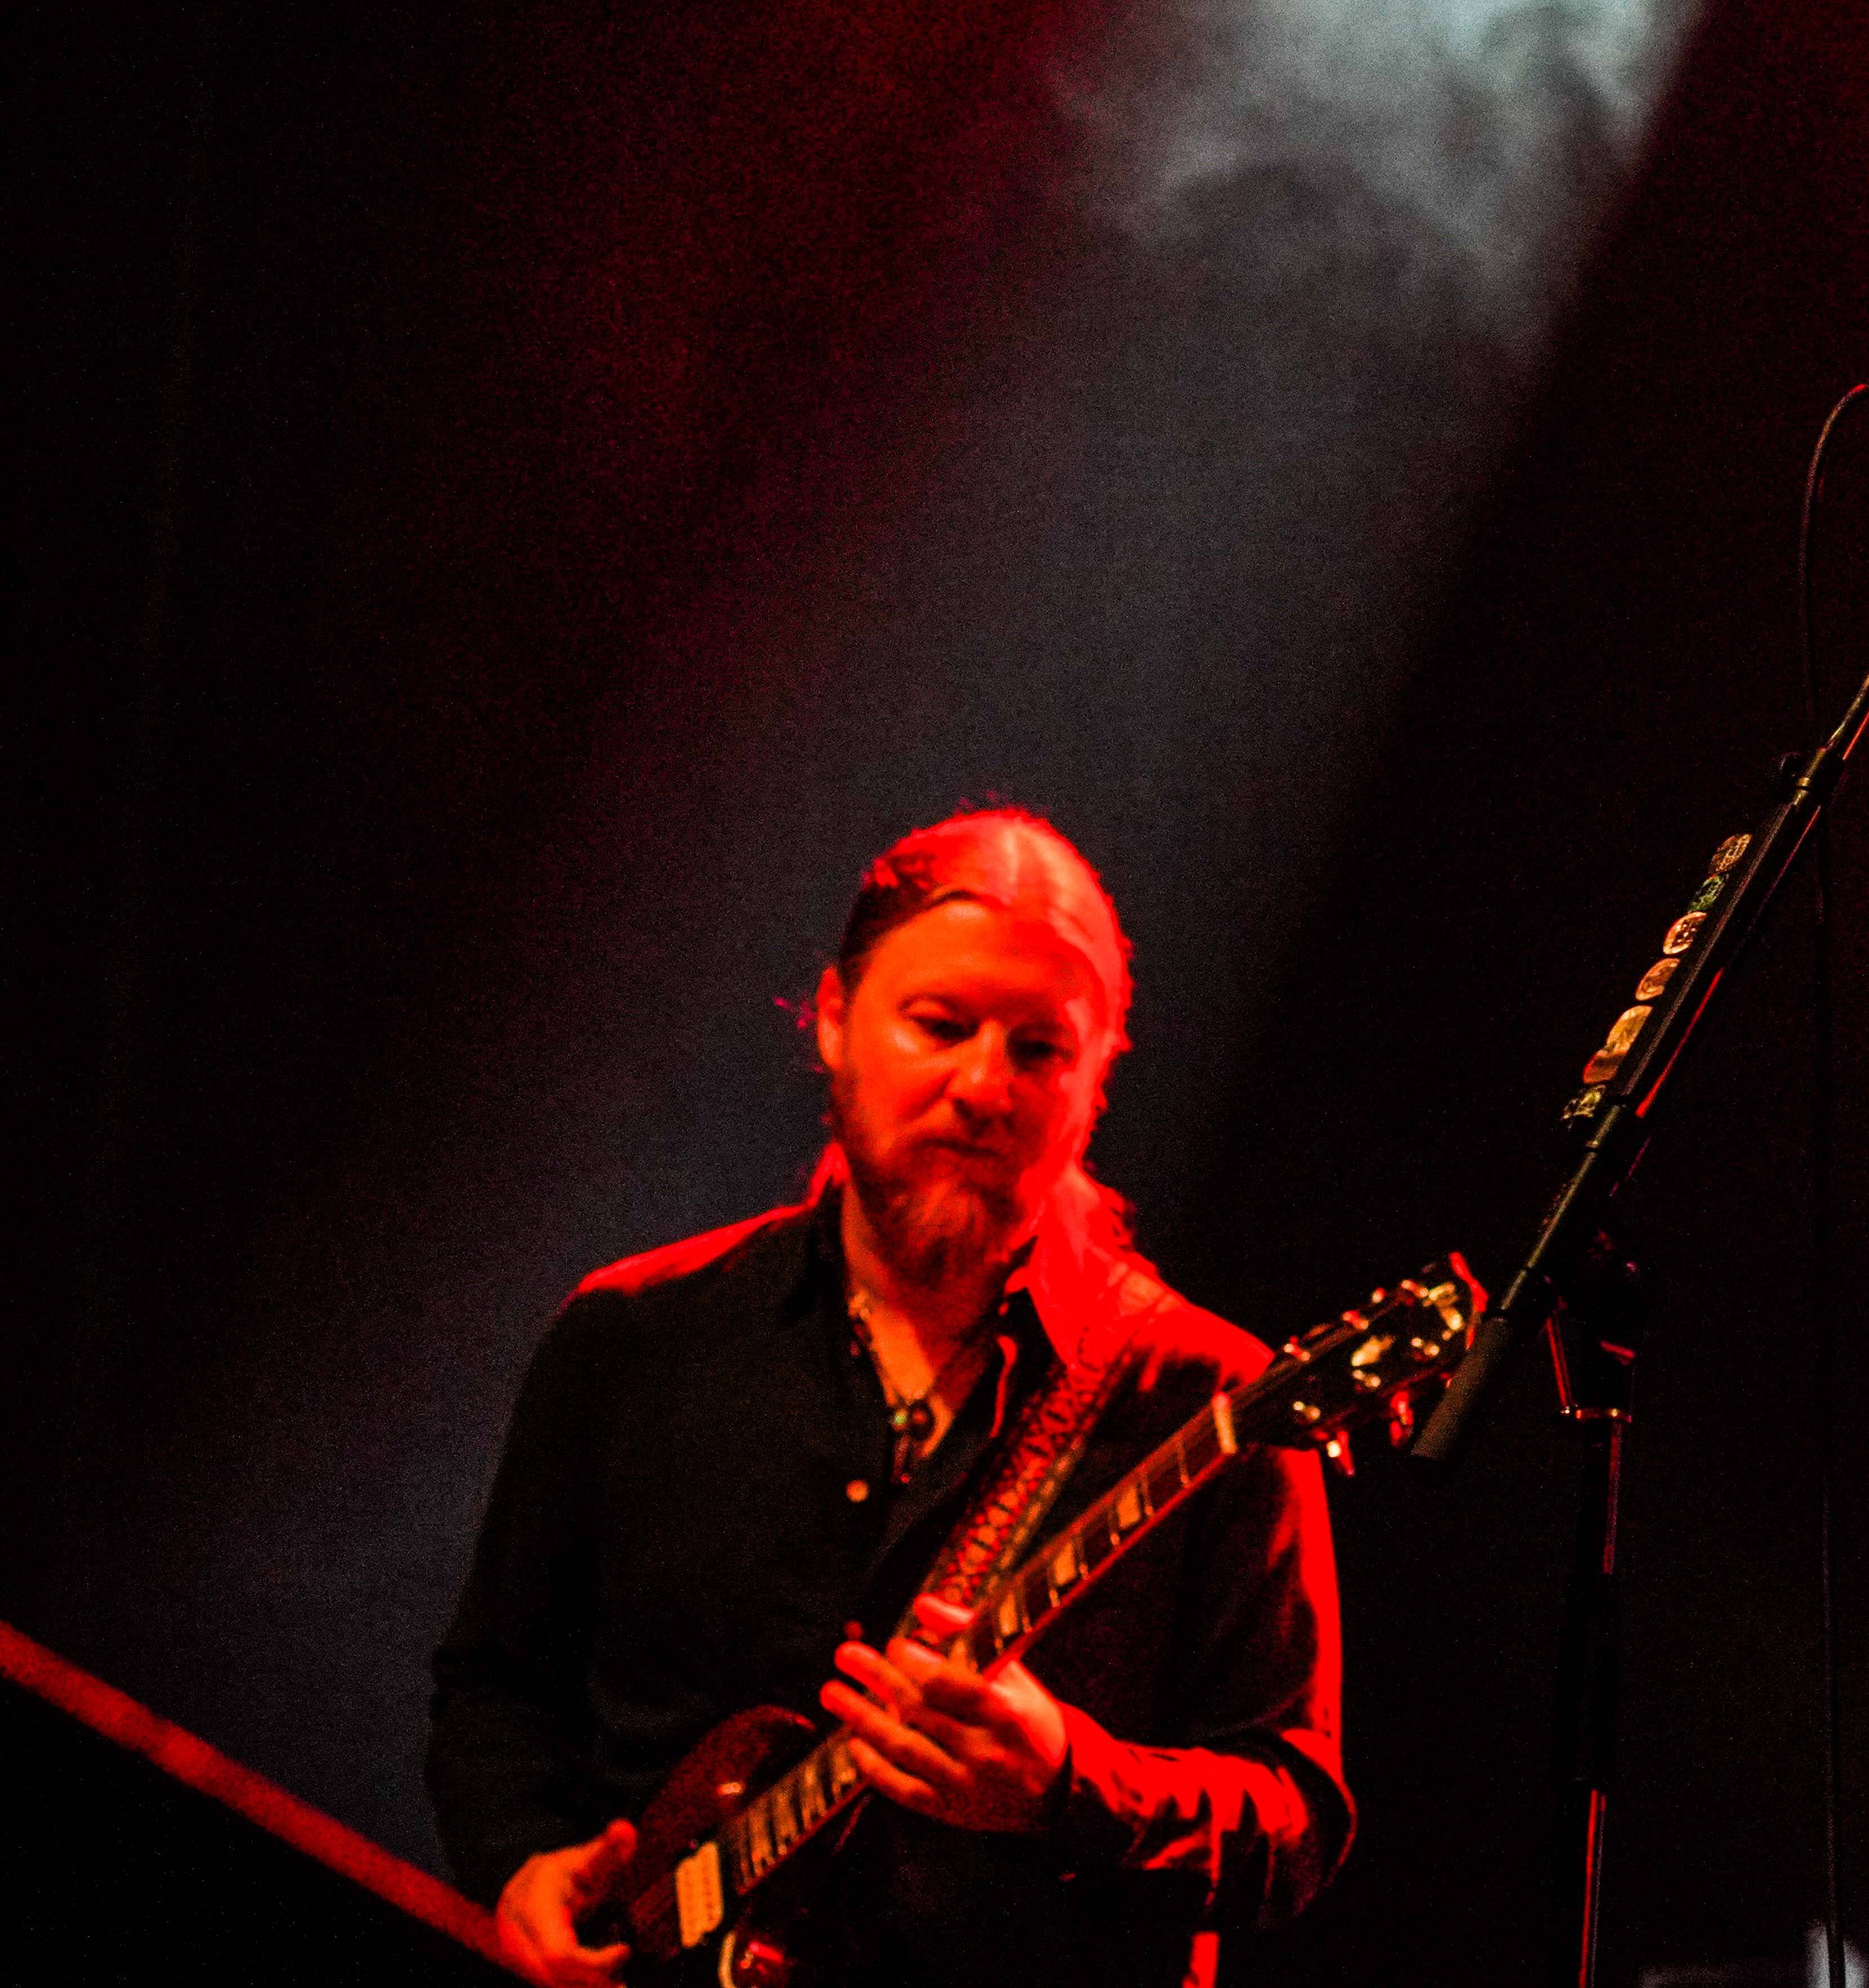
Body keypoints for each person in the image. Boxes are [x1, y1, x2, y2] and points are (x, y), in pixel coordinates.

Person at [428, 810, 1347, 1988]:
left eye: (1039, 1050)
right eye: (941, 1025)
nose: (984, 1086)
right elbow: (497, 1690)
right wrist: (520, 1864)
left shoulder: (1214, 1400)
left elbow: (1293, 1822)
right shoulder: (635, 1333)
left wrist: (1071, 1782)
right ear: (832, 1017)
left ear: (1097, 1081)